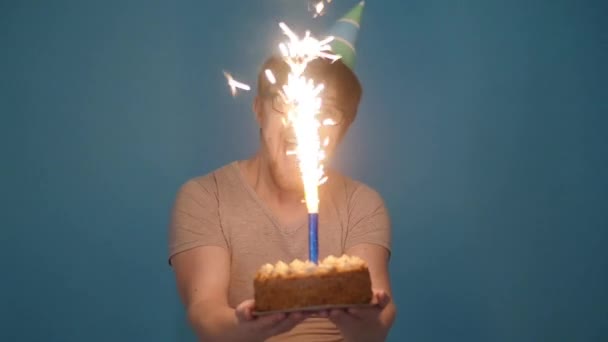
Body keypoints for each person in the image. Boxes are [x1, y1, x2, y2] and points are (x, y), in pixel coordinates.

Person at [168, 3, 396, 341]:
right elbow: (205, 313)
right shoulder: (206, 197)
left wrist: (364, 321)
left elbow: (378, 318)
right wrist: (246, 326)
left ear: (343, 129)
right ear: (259, 110)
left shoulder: (362, 204)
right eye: (284, 105)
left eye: (326, 112)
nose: (300, 124)